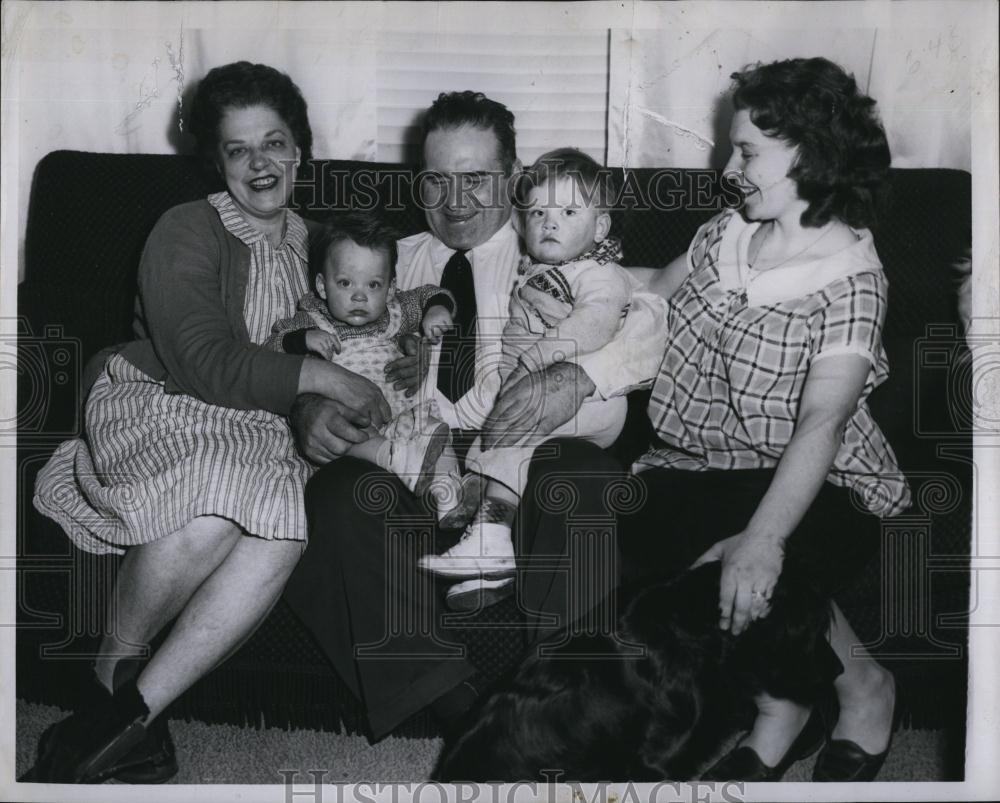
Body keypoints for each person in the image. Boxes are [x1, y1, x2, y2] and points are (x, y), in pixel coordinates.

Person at [25, 61, 390, 784]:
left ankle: (116, 722)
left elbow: (367, 316)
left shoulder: (321, 247)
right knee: (214, 509)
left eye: (275, 142)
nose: (261, 162)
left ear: (300, 151)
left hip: (256, 423)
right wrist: (323, 377)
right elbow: (200, 360)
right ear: (216, 162)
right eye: (238, 148)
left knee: (283, 524)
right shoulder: (185, 227)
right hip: (159, 395)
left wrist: (335, 384)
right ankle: (108, 671)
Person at [284, 91, 667, 741]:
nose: (455, 201)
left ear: (514, 179)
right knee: (341, 496)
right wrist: (309, 401)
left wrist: (580, 375)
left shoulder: (556, 245)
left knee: (579, 476)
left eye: (476, 179)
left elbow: (649, 310)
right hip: (414, 447)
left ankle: (567, 708)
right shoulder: (382, 260)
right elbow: (310, 331)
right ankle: (454, 708)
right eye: (437, 179)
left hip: (527, 447)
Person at [620, 57, 909, 782]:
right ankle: (780, 704)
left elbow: (824, 420)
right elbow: (655, 287)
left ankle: (862, 690)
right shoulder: (727, 233)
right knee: (668, 532)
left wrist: (764, 538)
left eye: (747, 151)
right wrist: (571, 283)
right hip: (701, 462)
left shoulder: (853, 280)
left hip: (817, 477)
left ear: (812, 155)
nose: (727, 167)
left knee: (751, 555)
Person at [419, 148, 667, 595]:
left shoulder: (599, 273)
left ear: (601, 226)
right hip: (521, 381)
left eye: (570, 211)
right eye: (537, 212)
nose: (549, 223)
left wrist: (535, 362)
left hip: (591, 401)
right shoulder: (536, 269)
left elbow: (593, 325)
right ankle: (484, 567)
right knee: (488, 426)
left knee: (516, 427)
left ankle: (492, 537)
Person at [265, 210, 456, 500]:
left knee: (436, 431)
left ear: (390, 288)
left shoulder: (395, 312)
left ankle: (449, 493)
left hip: (401, 418)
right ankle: (392, 457)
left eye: (373, 285)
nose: (359, 296)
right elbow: (272, 347)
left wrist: (438, 309)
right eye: (345, 283)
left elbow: (431, 294)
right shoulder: (313, 320)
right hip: (354, 427)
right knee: (346, 434)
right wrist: (302, 339)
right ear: (321, 286)